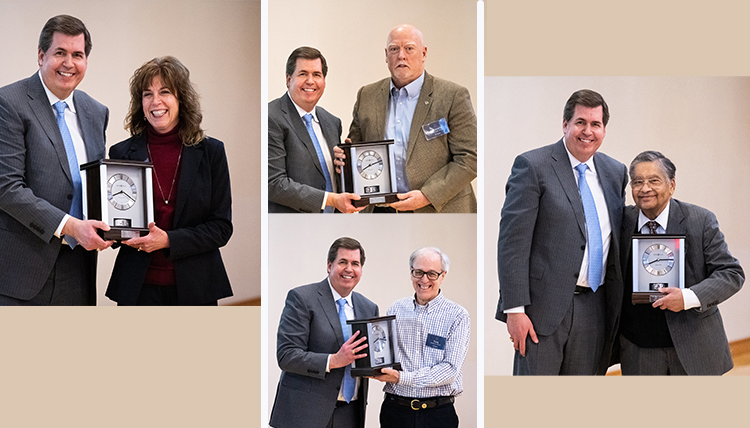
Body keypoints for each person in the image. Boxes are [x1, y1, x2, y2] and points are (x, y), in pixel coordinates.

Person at [495, 89, 628, 375]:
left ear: (604, 130)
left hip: (595, 307)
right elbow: (512, 244)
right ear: (565, 124)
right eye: (581, 122)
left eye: (596, 124)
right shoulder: (533, 166)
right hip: (541, 311)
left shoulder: (616, 172)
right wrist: (514, 310)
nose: (587, 131)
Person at [0, 15, 111, 305]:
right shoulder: (9, 103)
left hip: (79, 267)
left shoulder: (96, 112)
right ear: (41, 55)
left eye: (78, 55)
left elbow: (95, 183)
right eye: (60, 52)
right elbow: (7, 188)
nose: (69, 63)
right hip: (23, 267)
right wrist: (72, 226)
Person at [106, 56, 233, 305]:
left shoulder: (211, 152)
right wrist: (109, 231)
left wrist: (167, 240)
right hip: (137, 286)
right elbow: (117, 221)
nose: (156, 102)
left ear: (181, 99)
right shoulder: (120, 153)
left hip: (196, 285)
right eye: (147, 94)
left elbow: (221, 228)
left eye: (165, 92)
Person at [618, 151, 744, 375]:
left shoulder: (700, 220)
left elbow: (731, 273)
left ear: (672, 185)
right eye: (637, 182)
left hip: (693, 346)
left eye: (654, 180)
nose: (645, 188)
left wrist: (688, 297)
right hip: (638, 350)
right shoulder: (621, 222)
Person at [345, 24, 477, 213]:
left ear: (423, 53)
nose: (401, 56)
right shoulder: (367, 95)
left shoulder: (452, 95)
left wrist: (427, 195)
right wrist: (344, 159)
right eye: (394, 49)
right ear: (386, 55)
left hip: (437, 209)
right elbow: (356, 149)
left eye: (409, 48)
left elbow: (470, 157)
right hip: (381, 211)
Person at [270, 237, 379, 428]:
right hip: (304, 414)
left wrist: (377, 367)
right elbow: (286, 355)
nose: (349, 269)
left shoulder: (369, 308)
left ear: (361, 270)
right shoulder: (302, 298)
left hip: (350, 414)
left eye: (355, 263)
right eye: (343, 262)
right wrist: (333, 361)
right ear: (329, 265)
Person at [372, 247, 470, 428]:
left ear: (443, 276)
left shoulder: (457, 315)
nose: (424, 280)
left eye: (432, 273)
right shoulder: (396, 309)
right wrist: (371, 365)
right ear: (411, 273)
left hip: (438, 416)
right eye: (418, 272)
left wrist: (402, 378)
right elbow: (383, 352)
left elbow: (449, 370)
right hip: (395, 412)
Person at [268, 47, 364, 213]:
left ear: (324, 82)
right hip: (293, 225)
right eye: (303, 74)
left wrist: (347, 164)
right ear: (289, 79)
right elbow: (274, 183)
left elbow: (331, 176)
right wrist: (331, 199)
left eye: (316, 75)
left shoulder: (332, 122)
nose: (310, 81)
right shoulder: (272, 117)